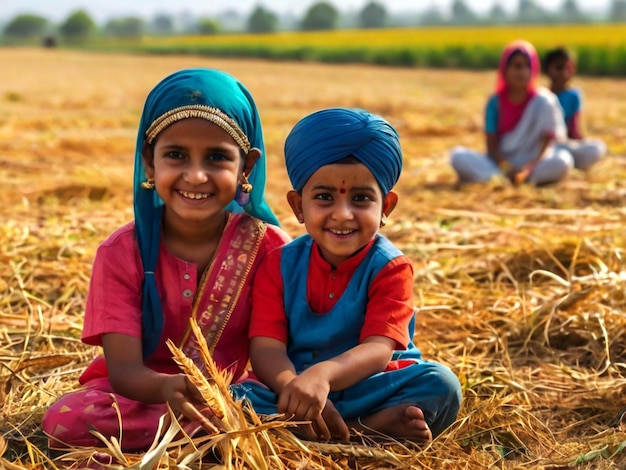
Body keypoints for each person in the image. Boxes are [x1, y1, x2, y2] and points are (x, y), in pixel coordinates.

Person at [41, 68, 291, 450]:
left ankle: (207, 438)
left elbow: (275, 355)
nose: (195, 175)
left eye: (216, 158)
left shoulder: (271, 250)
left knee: (273, 404)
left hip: (236, 398)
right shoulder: (122, 252)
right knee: (66, 420)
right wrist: (167, 387)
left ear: (248, 167)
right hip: (141, 398)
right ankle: (215, 442)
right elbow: (124, 370)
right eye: (175, 155)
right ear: (149, 162)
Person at [232, 107, 462, 443]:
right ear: (298, 206)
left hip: (368, 385)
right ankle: (366, 431)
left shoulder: (391, 267)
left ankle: (325, 434)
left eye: (361, 199)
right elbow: (266, 348)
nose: (342, 214)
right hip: (294, 389)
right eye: (324, 197)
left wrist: (324, 376)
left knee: (441, 384)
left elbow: (378, 349)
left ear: (386, 208)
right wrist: (293, 388)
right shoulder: (277, 264)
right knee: (234, 401)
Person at [450, 39, 574, 186]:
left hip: (533, 164)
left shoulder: (544, 101)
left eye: (527, 66)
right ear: (505, 69)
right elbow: (492, 146)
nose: (522, 71)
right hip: (500, 164)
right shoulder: (495, 103)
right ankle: (503, 179)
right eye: (516, 66)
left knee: (563, 161)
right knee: (457, 156)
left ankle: (512, 180)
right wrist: (506, 168)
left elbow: (546, 143)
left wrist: (530, 166)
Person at [543, 46, 607, 171]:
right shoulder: (542, 96)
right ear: (548, 70)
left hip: (565, 143)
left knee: (597, 147)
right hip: (546, 146)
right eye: (559, 67)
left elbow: (573, 129)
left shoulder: (574, 96)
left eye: (568, 68)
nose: (564, 72)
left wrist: (579, 142)